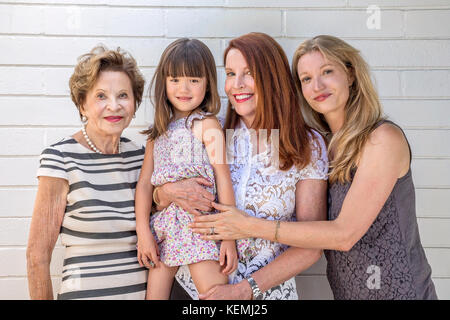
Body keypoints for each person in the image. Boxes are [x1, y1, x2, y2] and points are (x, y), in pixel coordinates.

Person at [190, 35, 438, 300]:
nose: (317, 85)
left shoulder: (377, 139)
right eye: (306, 79)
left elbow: (342, 235)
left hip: (399, 293)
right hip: (346, 293)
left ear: (351, 75)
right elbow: (163, 180)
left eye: (327, 72)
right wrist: (164, 192)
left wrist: (247, 228)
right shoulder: (328, 144)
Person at [156, 32, 329, 300]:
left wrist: (244, 290)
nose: (236, 85)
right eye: (229, 73)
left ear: (272, 77)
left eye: (248, 73)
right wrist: (166, 192)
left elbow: (312, 246)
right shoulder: (208, 127)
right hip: (194, 289)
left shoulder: (308, 145)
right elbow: (160, 190)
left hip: (265, 294)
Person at [135, 38, 255, 300]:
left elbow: (223, 179)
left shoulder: (206, 125)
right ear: (164, 83)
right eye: (175, 79)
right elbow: (144, 184)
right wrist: (143, 232)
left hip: (199, 228)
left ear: (207, 83)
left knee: (213, 298)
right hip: (164, 228)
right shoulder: (158, 133)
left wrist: (229, 238)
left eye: (194, 79)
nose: (184, 88)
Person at [26, 45, 147, 300]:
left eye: (123, 95)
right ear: (82, 104)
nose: (114, 106)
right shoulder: (60, 157)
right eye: (101, 96)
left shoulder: (142, 157)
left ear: (134, 103)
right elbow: (37, 256)